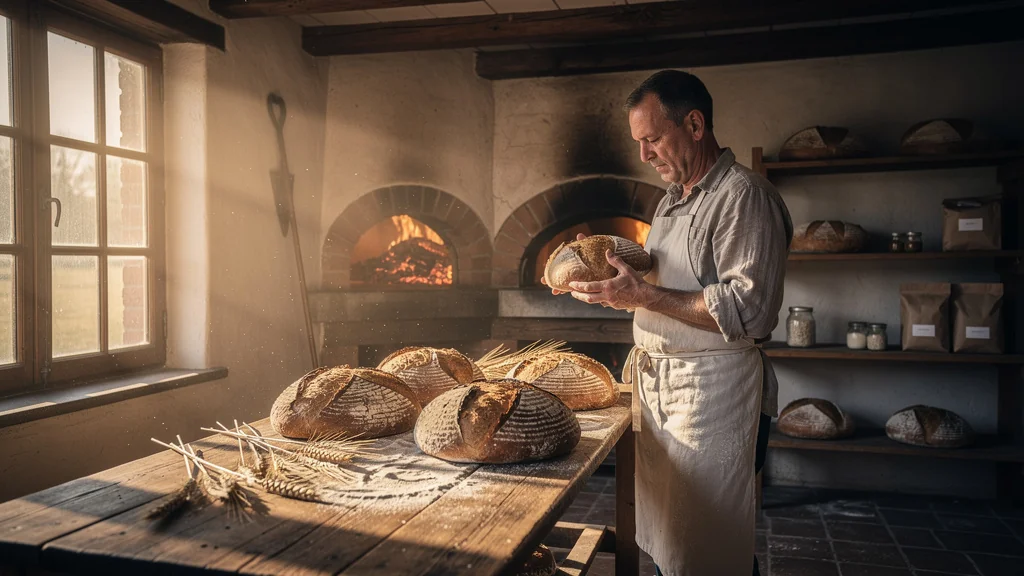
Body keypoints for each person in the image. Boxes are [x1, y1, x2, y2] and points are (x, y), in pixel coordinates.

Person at [543, 70, 792, 575]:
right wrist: (603, 277)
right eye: (638, 142)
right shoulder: (671, 200)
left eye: (653, 139)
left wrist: (644, 296)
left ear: (695, 125)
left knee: (709, 544)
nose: (644, 155)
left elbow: (752, 310)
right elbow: (657, 281)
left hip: (713, 395)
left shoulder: (743, 196)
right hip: (663, 390)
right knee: (674, 541)